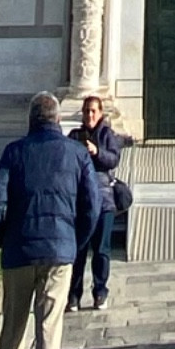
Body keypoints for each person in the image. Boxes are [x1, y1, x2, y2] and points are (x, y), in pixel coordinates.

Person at [0, 91, 101, 349]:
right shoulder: (77, 153)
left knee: (12, 331)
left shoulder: (14, 153)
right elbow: (91, 206)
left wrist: (0, 237)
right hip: (59, 253)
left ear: (31, 120)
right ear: (58, 120)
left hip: (19, 252)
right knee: (49, 331)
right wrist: (74, 244)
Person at [66, 95, 122, 311]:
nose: (90, 115)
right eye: (87, 111)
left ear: (100, 113)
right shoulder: (74, 136)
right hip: (80, 202)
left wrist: (96, 151)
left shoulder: (107, 135)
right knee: (78, 250)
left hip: (104, 201)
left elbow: (113, 159)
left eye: (94, 111)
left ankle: (100, 291)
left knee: (101, 250)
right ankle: (74, 294)